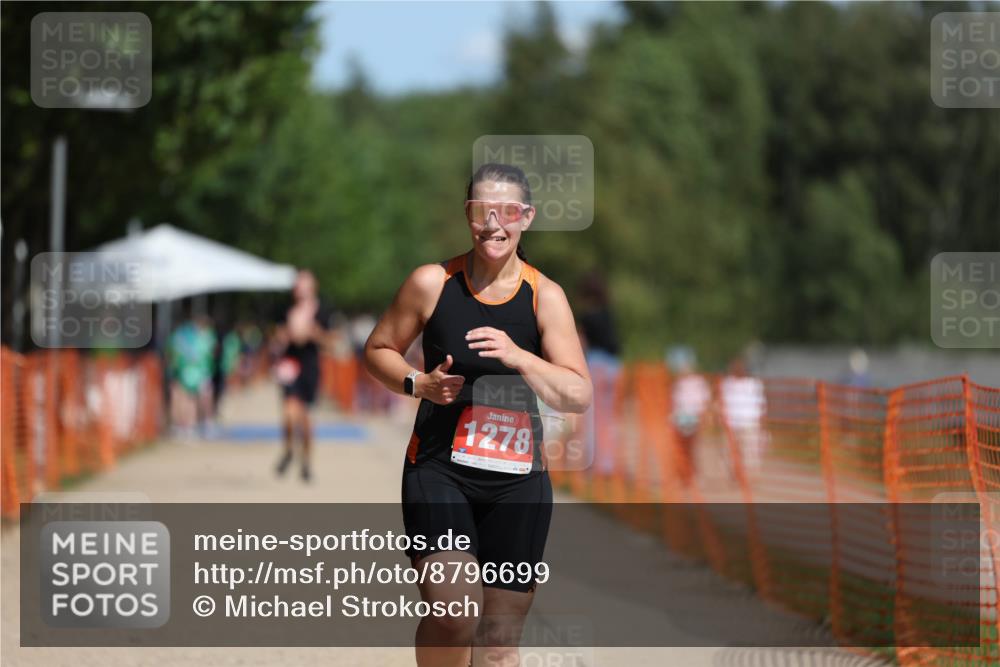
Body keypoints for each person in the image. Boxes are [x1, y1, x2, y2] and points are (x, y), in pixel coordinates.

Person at [364, 163, 592, 667]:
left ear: (526, 217)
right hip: (439, 469)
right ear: (466, 215)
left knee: (499, 642)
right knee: (454, 610)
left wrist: (521, 357)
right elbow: (378, 349)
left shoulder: (545, 296)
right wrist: (417, 383)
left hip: (518, 482)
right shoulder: (432, 282)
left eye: (507, 211)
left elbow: (577, 394)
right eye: (481, 210)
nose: (493, 223)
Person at [271, 270, 331, 482]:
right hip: (290, 366)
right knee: (289, 414)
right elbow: (277, 339)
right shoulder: (286, 311)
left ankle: (306, 461)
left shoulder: (322, 311)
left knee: (305, 420)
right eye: (296, 286)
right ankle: (288, 450)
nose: (298, 289)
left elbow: (330, 342)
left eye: (302, 285)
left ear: (312, 287)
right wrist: (284, 335)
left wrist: (314, 333)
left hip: (310, 368)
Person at [166, 311, 217, 440]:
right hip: (191, 373)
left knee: (188, 400)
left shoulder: (182, 337)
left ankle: (189, 425)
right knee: (190, 400)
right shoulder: (193, 337)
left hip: (191, 373)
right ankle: (190, 425)